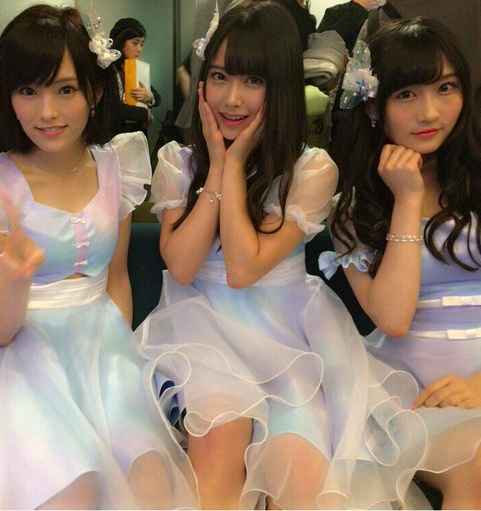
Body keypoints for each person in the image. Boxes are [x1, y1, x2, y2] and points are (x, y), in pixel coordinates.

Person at [135, 1, 463, 509]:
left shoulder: (312, 169)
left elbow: (245, 266)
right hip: (203, 337)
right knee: (217, 451)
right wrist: (220, 166)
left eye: (253, 80)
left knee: (305, 477)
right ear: (202, 84)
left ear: (281, 87)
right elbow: (180, 264)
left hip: (291, 342)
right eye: (220, 77)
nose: (233, 98)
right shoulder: (178, 163)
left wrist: (236, 161)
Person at [0, 5, 197, 509]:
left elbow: (116, 279)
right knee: (74, 487)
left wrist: (118, 361)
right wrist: (17, 277)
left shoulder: (117, 165)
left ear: (94, 92)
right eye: (28, 90)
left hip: (105, 351)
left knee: (150, 480)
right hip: (14, 360)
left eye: (65, 90)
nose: (46, 112)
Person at [328, 17, 481, 508]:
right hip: (406, 397)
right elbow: (393, 318)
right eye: (407, 94)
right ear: (375, 107)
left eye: (445, 88)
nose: (429, 111)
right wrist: (408, 199)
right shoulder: (352, 209)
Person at [109, 17, 161, 136]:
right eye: (135, 43)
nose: (139, 49)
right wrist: (145, 114)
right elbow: (113, 108)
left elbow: (157, 97)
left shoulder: (135, 67)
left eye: (142, 44)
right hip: (116, 135)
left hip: (137, 133)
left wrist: (150, 97)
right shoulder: (108, 68)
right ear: (121, 41)